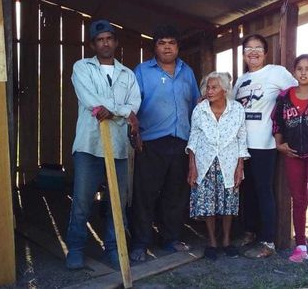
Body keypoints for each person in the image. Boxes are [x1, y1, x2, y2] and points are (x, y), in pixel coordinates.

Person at [65, 20, 141, 270]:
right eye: (100, 39)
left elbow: (134, 105)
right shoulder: (82, 67)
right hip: (89, 145)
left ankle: (114, 249)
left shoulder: (127, 74)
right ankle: (75, 249)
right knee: (82, 200)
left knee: (117, 202)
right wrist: (116, 112)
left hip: (118, 147)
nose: (105, 43)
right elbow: (89, 99)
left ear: (116, 43)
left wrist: (115, 111)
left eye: (109, 38)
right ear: (93, 44)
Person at [129, 25, 200, 262]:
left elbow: (194, 107)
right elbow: (131, 107)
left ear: (178, 47)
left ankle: (170, 238)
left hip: (181, 142)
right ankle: (140, 243)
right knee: (145, 195)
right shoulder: (141, 71)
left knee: (175, 193)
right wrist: (135, 132)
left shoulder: (186, 71)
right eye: (162, 42)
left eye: (172, 42)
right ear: (154, 47)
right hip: (151, 142)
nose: (167, 47)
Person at [232, 34, 298, 258]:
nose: (253, 52)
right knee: (247, 192)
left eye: (258, 48)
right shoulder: (240, 81)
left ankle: (268, 242)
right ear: (243, 54)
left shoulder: (275, 72)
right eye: (248, 48)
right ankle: (249, 232)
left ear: (265, 52)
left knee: (263, 191)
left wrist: (288, 129)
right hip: (242, 146)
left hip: (264, 144)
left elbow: (297, 92)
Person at [271, 54, 308, 265]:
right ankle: (300, 247)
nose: (304, 72)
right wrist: (280, 145)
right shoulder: (284, 96)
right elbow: (277, 122)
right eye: (300, 69)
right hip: (293, 156)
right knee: (298, 201)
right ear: (294, 72)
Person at [187, 72, 249, 260]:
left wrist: (240, 167)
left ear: (225, 90)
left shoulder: (237, 109)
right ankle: (212, 243)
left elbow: (241, 139)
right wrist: (192, 167)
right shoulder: (200, 110)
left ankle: (227, 242)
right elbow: (194, 138)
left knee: (228, 204)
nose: (209, 91)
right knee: (208, 205)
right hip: (205, 163)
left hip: (228, 163)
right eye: (207, 87)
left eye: (214, 87)